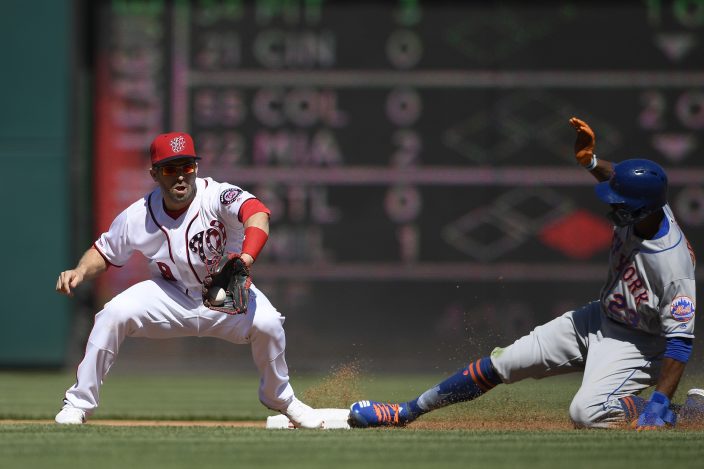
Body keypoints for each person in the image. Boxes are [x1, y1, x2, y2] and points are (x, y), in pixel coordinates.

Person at [349, 117, 701, 430]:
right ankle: (404, 413)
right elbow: (618, 176)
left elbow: (680, 343)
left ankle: (683, 414)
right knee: (504, 362)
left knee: (587, 413)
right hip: (599, 317)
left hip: (639, 344)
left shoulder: (672, 268)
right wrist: (591, 161)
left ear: (643, 210)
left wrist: (657, 404)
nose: (612, 205)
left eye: (620, 204)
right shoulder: (648, 204)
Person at [55, 132, 323, 428]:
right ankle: (78, 404)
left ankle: (281, 398)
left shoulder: (217, 195)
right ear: (154, 174)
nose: (180, 176)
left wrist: (245, 259)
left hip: (224, 294)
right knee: (113, 314)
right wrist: (80, 271)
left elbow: (257, 212)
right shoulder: (138, 215)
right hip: (169, 297)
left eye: (187, 167)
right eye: (170, 169)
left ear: (196, 169)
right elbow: (103, 252)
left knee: (269, 324)